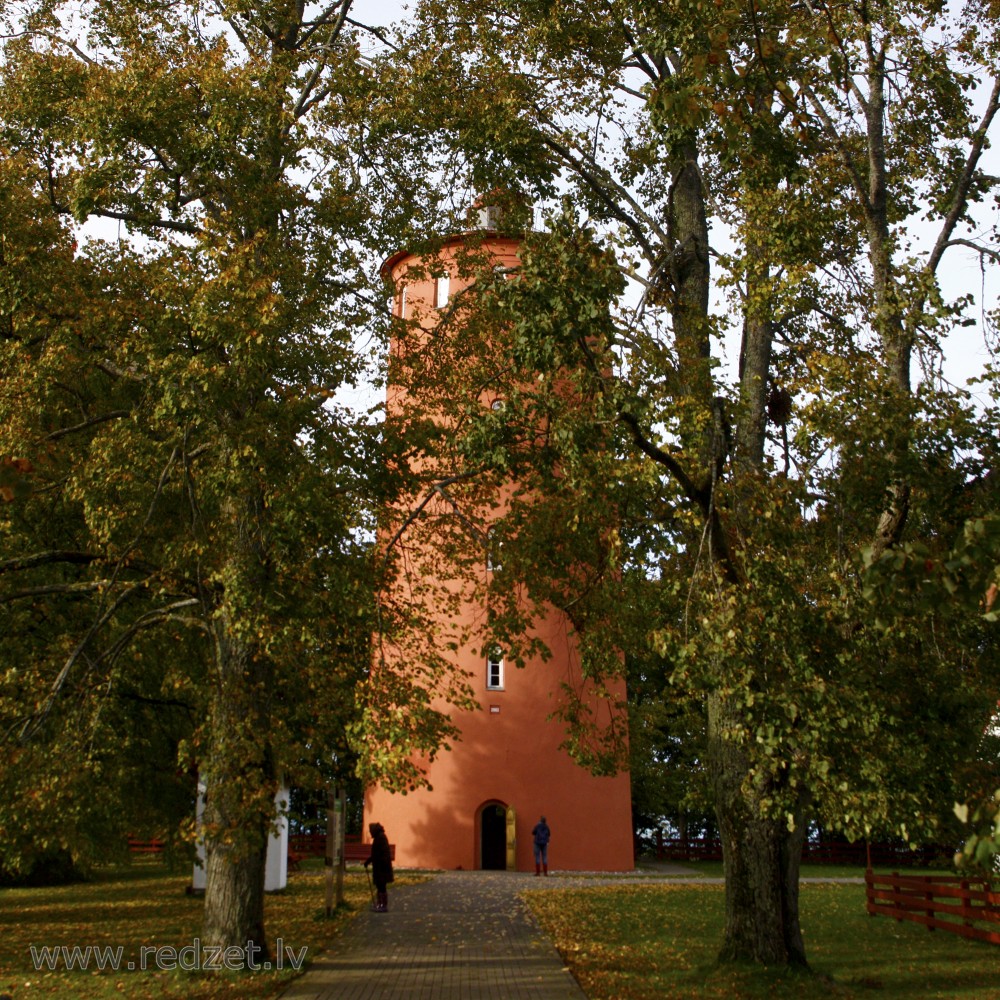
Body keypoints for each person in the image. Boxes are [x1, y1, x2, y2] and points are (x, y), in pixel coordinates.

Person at [364, 821, 394, 912]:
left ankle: (382, 905)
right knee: (380, 886)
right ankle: (380, 904)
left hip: (381, 868)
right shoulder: (379, 837)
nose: (370, 833)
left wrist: (381, 863)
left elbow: (382, 853)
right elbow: (376, 854)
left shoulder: (380, 838)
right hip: (380, 867)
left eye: (370, 831)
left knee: (381, 886)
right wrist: (368, 861)